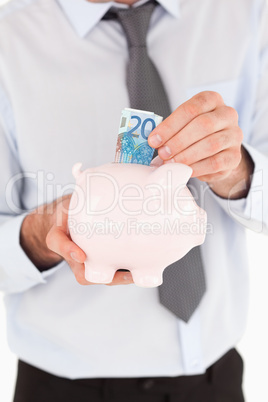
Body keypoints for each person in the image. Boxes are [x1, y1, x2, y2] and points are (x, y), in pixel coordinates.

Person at [0, 0, 267, 400]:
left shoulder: (245, 14)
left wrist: (238, 171)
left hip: (216, 382)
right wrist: (38, 236)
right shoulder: (9, 37)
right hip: (63, 388)